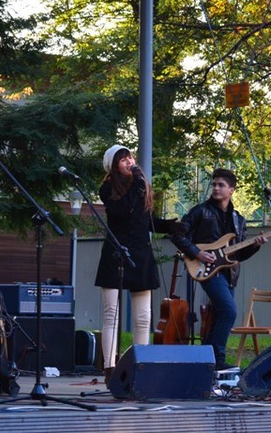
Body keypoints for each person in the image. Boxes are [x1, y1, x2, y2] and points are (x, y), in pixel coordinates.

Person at [96, 144, 185, 383]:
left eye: (130, 157)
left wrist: (168, 226)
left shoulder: (141, 187)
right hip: (116, 253)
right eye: (123, 159)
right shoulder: (107, 189)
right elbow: (123, 212)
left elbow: (144, 220)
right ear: (113, 166)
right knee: (111, 313)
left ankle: (140, 365)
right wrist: (137, 184)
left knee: (143, 316)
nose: (129, 162)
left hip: (140, 252)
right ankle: (110, 368)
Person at [171, 168, 267, 370]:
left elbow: (239, 255)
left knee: (218, 315)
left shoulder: (238, 219)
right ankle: (218, 360)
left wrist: (256, 245)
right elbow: (177, 235)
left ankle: (204, 361)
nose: (215, 188)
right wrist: (197, 252)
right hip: (206, 268)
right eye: (214, 184)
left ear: (231, 189)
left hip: (228, 273)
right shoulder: (200, 211)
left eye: (220, 185)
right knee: (229, 311)